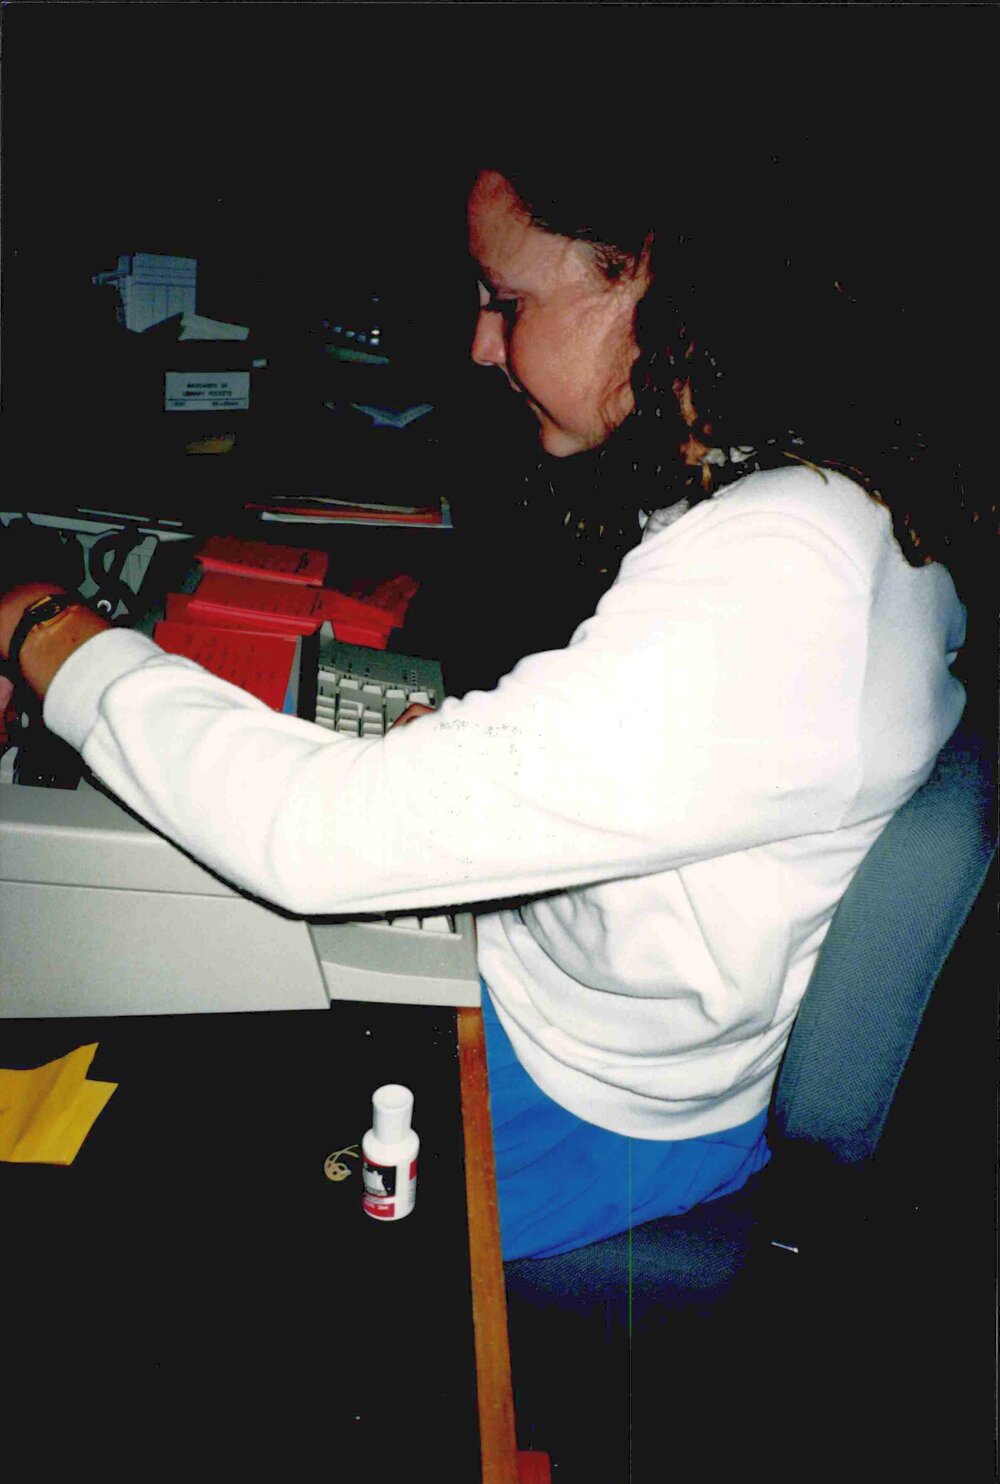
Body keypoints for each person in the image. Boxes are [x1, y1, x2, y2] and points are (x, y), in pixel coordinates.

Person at [0, 148, 969, 1265]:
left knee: (142, 1186)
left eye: (507, 301)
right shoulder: (796, 499)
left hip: (587, 1104)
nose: (479, 342)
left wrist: (43, 627)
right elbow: (670, 747)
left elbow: (308, 838)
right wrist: (479, 757)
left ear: (651, 278)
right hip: (579, 1016)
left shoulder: (782, 575)